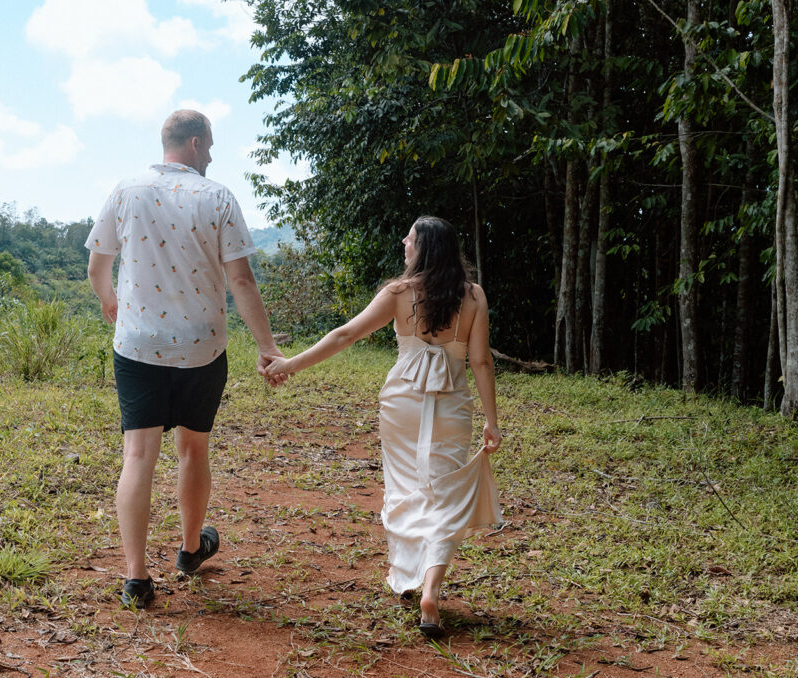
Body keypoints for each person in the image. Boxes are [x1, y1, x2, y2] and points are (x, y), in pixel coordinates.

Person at [262, 216, 503, 638]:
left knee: (405, 488)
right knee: (444, 495)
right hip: (452, 408)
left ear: (423, 249)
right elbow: (481, 362)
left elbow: (344, 335)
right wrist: (493, 421)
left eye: (409, 238)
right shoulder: (474, 297)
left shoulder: (399, 293)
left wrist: (290, 365)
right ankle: (430, 590)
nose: (403, 243)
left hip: (401, 406)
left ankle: (408, 574)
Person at [86, 109, 284, 609]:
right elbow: (241, 280)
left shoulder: (126, 190)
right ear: (194, 143)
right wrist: (267, 347)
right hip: (201, 347)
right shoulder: (216, 195)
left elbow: (96, 265)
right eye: (211, 146)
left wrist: (110, 299)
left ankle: (136, 577)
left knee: (138, 454)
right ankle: (191, 549)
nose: (212, 155)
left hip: (137, 345)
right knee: (193, 449)